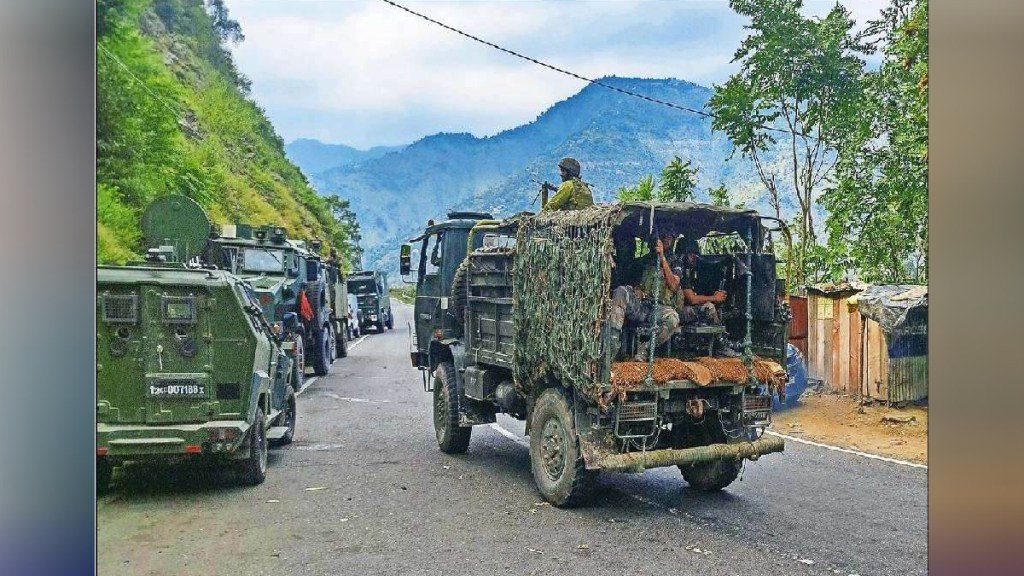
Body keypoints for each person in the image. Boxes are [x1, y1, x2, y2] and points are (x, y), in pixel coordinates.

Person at [607, 233, 683, 361]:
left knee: (673, 319)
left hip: (659, 308)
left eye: (669, 237)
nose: (666, 239)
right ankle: (612, 346)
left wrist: (662, 258)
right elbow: (630, 282)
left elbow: (674, 285)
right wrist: (636, 289)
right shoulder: (644, 261)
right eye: (664, 237)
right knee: (621, 292)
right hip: (641, 306)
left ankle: (645, 350)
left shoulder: (676, 261)